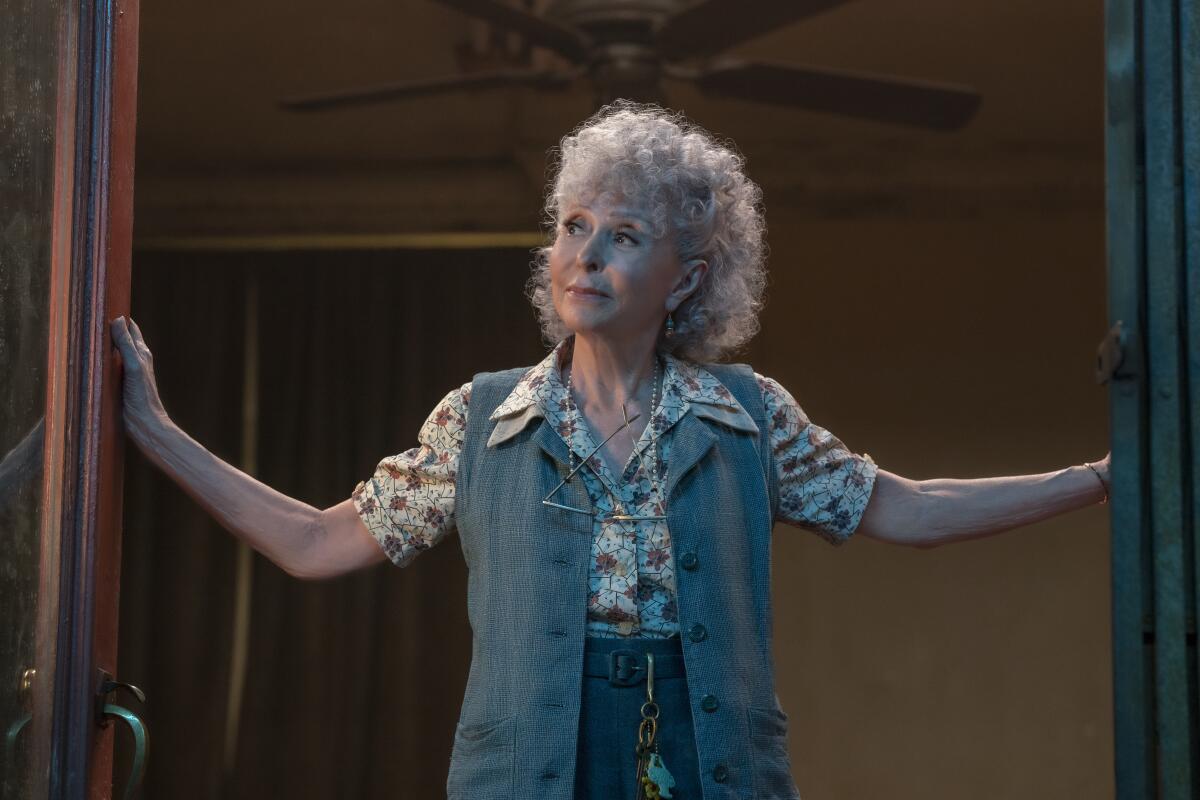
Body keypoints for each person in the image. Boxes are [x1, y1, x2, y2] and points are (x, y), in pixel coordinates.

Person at [111, 101, 1111, 800]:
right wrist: (155, 433)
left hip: (709, 753)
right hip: (535, 763)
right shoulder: (483, 416)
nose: (584, 253)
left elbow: (909, 507)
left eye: (622, 234)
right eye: (571, 225)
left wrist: (1106, 480)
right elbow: (315, 541)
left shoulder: (747, 416)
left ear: (686, 277)